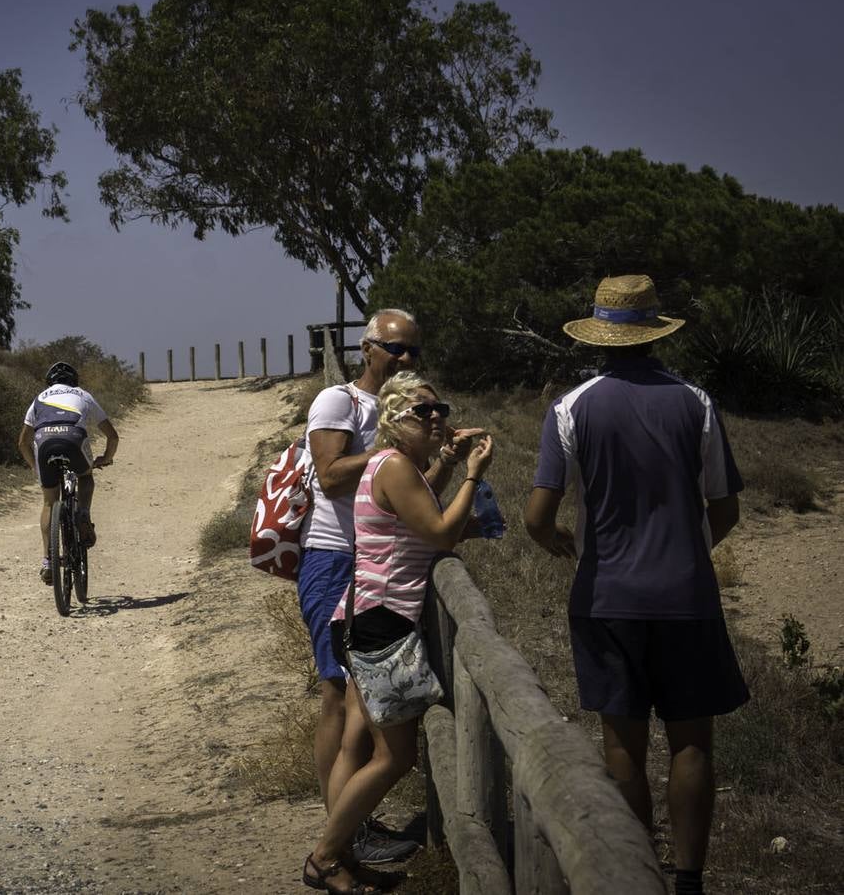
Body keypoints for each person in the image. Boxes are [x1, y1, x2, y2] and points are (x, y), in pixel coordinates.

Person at [524, 275, 748, 895]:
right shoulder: (697, 402)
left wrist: (561, 545)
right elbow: (724, 506)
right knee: (692, 742)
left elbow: (538, 516)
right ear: (654, 333)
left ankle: (632, 874)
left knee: (622, 744)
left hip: (606, 598)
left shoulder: (571, 407)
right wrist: (688, 554)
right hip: (687, 596)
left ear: (599, 337)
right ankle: (690, 882)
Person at [298, 309, 483, 863]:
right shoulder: (341, 405)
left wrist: (439, 457)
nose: (404, 358)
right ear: (368, 348)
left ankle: (346, 836)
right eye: (395, 349)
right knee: (347, 711)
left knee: (361, 722)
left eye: (413, 352)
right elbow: (331, 475)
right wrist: (459, 470)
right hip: (338, 562)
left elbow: (414, 505)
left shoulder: (395, 460)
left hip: (363, 588)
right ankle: (335, 845)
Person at [17, 361, 119, 583]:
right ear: (74, 381)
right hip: (73, 439)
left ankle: (48, 560)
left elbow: (23, 443)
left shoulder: (39, 398)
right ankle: (82, 513)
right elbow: (113, 436)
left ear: (49, 382)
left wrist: (36, 468)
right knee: (85, 476)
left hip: (44, 443)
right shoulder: (83, 395)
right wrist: (105, 458)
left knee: (48, 503)